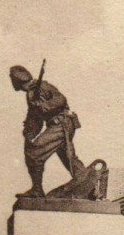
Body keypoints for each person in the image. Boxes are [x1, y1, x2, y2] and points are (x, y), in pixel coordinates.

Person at [9, 65, 85, 198]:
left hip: (61, 124)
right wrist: (30, 132)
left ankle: (37, 190)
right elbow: (34, 117)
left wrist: (44, 106)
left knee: (34, 152)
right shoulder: (31, 93)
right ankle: (91, 188)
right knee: (68, 158)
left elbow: (61, 99)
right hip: (58, 126)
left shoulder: (43, 86)